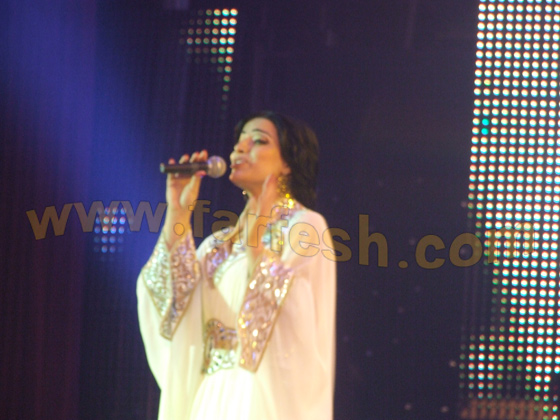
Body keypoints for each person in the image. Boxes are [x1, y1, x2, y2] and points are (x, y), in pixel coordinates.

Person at [137, 111, 337, 420]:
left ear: (287, 163)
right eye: (239, 141)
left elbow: (295, 322)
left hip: (258, 396)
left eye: (259, 141)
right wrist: (178, 215)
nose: (240, 148)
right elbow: (169, 305)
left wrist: (256, 247)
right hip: (209, 397)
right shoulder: (216, 245)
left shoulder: (304, 227)